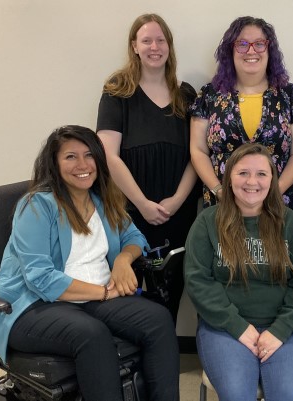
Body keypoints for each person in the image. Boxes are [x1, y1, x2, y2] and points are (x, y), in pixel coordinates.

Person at [0, 126, 180, 401]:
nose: (83, 165)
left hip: (94, 298)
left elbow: (134, 236)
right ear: (54, 163)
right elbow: (41, 278)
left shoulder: (102, 201)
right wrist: (103, 292)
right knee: (92, 335)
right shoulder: (37, 206)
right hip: (33, 305)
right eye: (70, 157)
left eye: (89, 155)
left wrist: (123, 260)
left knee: (159, 319)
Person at [184, 143, 293, 401]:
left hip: (286, 328)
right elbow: (198, 281)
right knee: (236, 395)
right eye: (243, 173)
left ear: (272, 179)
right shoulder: (207, 223)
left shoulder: (292, 225)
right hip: (223, 328)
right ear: (228, 177)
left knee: (287, 395)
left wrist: (280, 330)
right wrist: (236, 325)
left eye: (261, 174)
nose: (252, 182)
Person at [97, 13, 199, 323]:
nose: (154, 47)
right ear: (134, 47)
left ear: (169, 45)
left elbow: (197, 154)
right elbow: (109, 156)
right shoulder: (117, 92)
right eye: (146, 40)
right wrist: (142, 204)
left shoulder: (187, 95)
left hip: (177, 212)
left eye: (161, 40)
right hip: (129, 212)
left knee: (171, 288)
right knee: (129, 289)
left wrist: (177, 200)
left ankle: (162, 357)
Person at [190, 16, 293, 215]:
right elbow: (198, 150)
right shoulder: (209, 95)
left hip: (277, 205)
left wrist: (272, 192)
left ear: (269, 49)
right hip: (222, 206)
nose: (251, 51)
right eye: (242, 44)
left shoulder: (292, 96)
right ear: (230, 50)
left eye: (259, 44)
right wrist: (220, 191)